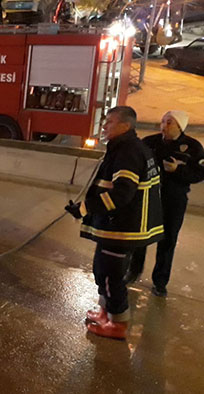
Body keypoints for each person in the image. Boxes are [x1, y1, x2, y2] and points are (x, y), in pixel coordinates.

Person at [65, 106, 163, 340]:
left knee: (111, 274)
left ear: (125, 126)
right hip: (117, 227)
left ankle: (118, 324)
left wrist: (85, 208)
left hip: (122, 229)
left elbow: (122, 195)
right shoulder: (126, 148)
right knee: (102, 269)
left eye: (109, 122)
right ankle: (105, 312)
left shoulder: (128, 152)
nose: (104, 126)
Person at [127, 111, 204, 297]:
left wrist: (178, 170)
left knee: (167, 240)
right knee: (141, 236)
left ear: (180, 126)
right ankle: (133, 271)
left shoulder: (193, 147)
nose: (164, 125)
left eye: (169, 122)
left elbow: (199, 174)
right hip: (149, 197)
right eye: (162, 121)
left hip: (174, 200)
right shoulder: (149, 142)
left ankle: (160, 281)